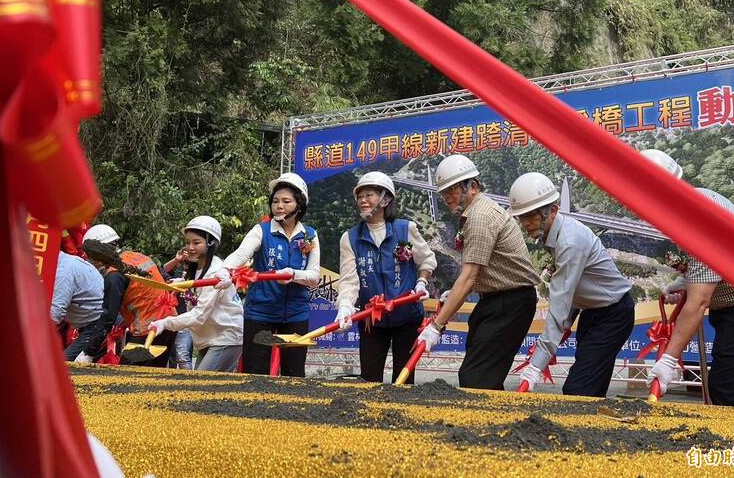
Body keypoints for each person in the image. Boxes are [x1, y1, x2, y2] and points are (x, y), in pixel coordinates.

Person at [641, 149, 734, 408]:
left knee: (728, 389)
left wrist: (669, 359)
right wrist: (683, 283)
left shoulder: (697, 219)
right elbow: (719, 262)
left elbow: (699, 302)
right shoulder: (698, 199)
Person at [417, 155, 540, 390]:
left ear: (471, 186)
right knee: (481, 374)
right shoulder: (475, 213)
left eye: (452, 190)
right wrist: (453, 293)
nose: (447, 197)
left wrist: (436, 326)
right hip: (495, 301)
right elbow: (478, 272)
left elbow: (470, 275)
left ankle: (493, 424)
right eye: (444, 192)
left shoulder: (480, 216)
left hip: (510, 303)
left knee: (477, 377)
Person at [508, 172, 634, 396]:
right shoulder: (554, 235)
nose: (526, 223)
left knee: (579, 389)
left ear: (553, 210)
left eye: (532, 216)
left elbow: (561, 299)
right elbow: (573, 293)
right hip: (592, 312)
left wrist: (537, 363)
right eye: (522, 217)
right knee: (591, 386)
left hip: (613, 315)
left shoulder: (569, 241)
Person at [336, 172, 436, 384]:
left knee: (403, 380)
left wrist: (421, 281)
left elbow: (427, 260)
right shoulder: (350, 238)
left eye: (369, 195)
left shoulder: (405, 229)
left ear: (385, 199)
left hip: (407, 317)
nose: (363, 200)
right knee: (370, 380)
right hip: (372, 320)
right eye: (360, 196)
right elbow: (348, 280)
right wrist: (345, 305)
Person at [224, 173, 320, 377]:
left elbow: (314, 276)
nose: (279, 206)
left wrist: (293, 274)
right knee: (255, 373)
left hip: (296, 313)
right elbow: (241, 254)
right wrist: (224, 270)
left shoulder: (310, 235)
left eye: (286, 201)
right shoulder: (262, 230)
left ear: (300, 205)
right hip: (260, 312)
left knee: (294, 375)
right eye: (275, 201)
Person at [149, 216, 244, 372]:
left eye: (196, 243)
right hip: (208, 338)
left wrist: (165, 323)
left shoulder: (215, 272)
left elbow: (199, 315)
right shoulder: (193, 270)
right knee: (209, 388)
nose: (190, 247)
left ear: (211, 243)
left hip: (226, 337)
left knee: (199, 383)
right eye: (187, 243)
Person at [81, 224, 176, 367]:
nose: (92, 263)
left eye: (92, 257)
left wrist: (88, 352)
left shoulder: (114, 276)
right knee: (156, 378)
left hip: (148, 328)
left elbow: (108, 317)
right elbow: (160, 276)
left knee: (128, 375)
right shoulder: (139, 257)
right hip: (169, 322)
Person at [50, 250, 104, 362]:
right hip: (95, 321)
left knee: (66, 365)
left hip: (98, 325)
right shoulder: (67, 262)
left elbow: (55, 314)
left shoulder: (63, 272)